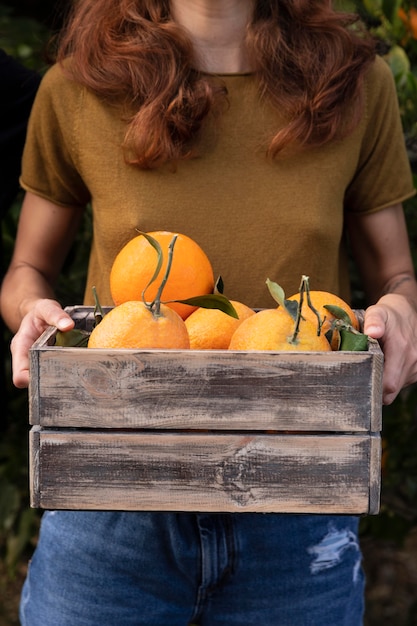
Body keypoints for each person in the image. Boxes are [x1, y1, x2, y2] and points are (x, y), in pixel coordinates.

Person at [1, 1, 417, 624]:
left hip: (297, 515)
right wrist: (32, 311)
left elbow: (398, 277)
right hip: (113, 507)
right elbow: (25, 270)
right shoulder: (80, 86)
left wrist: (401, 312)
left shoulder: (353, 84)